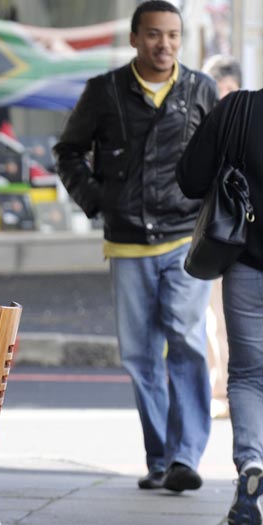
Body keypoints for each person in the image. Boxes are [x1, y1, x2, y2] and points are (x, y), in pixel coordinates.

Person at [53, 1, 218, 492]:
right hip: (126, 244)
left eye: (173, 35)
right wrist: (99, 201)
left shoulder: (200, 89)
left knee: (186, 341)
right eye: (153, 34)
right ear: (133, 38)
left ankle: (186, 456)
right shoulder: (103, 91)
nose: (164, 44)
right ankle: (161, 459)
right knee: (141, 357)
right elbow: (68, 152)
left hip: (184, 240)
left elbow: (220, 157)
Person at [177, 87, 263, 525]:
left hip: (247, 264)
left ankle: (251, 460)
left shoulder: (239, 109)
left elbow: (190, 179)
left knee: (248, 375)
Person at [201, 55, 243, 419]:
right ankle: (221, 391)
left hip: (246, 236)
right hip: (213, 235)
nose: (225, 95)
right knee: (216, 317)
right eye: (220, 89)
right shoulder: (202, 128)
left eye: (231, 88)